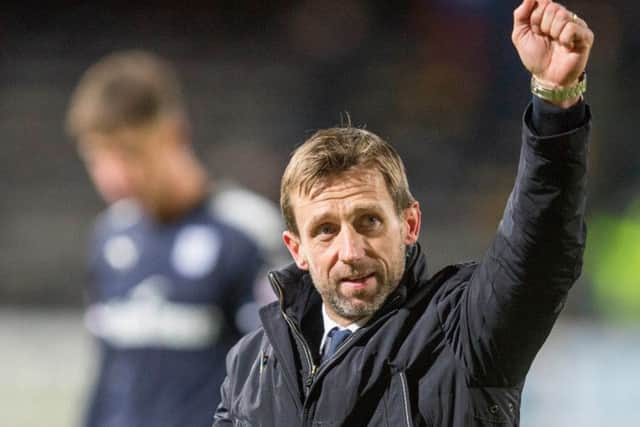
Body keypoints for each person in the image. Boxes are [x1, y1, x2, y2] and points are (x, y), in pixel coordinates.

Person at [213, 1, 594, 426]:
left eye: (369, 221)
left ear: (409, 223)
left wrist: (555, 105)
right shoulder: (252, 363)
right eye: (325, 230)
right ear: (296, 249)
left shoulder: (463, 330)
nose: (351, 250)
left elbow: (536, 253)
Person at [66, 51, 283, 427]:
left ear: (174, 133)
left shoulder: (246, 233)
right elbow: (107, 378)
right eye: (97, 158)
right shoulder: (109, 236)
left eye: (129, 152)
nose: (112, 175)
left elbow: (280, 378)